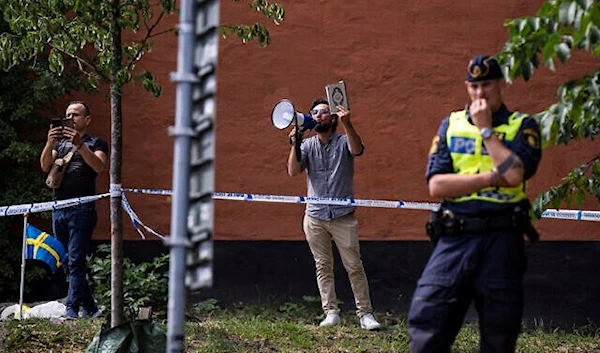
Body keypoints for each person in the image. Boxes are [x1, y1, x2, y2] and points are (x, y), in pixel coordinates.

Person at [407, 55, 542, 352]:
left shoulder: (523, 125)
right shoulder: (451, 124)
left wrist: (486, 131)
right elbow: (436, 185)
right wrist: (493, 177)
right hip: (455, 236)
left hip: (502, 238)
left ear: (500, 84)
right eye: (475, 86)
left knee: (499, 333)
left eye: (487, 85)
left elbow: (517, 174)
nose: (481, 93)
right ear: (467, 87)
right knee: (426, 323)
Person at [287, 98, 381, 330]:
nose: (318, 116)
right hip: (315, 216)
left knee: (354, 266)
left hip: (342, 216)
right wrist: (294, 144)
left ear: (333, 118)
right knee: (323, 266)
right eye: (314, 112)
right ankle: (331, 312)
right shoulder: (307, 145)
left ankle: (365, 314)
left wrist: (348, 124)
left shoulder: (342, 141)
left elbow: (357, 149)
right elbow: (293, 172)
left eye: (323, 112)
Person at [40, 101, 109, 319]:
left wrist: (79, 145)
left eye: (76, 115)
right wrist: (49, 143)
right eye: (68, 114)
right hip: (59, 208)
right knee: (67, 260)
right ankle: (90, 308)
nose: (71, 118)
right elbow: (44, 166)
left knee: (77, 259)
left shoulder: (96, 142)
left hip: (82, 208)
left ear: (86, 120)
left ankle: (72, 309)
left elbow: (99, 166)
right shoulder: (59, 145)